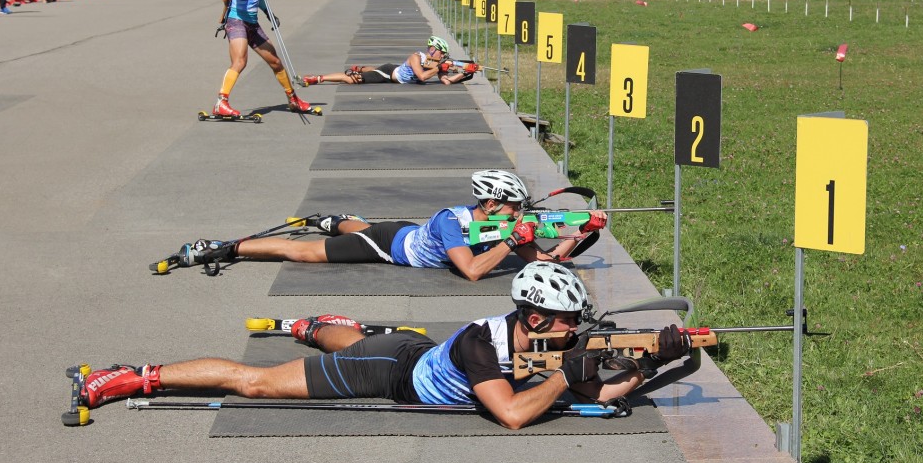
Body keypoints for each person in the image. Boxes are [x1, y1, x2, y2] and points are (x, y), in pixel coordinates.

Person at [72, 262, 689, 429]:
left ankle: (311, 325)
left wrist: (650, 360)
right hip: (388, 372)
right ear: (532, 317)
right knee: (255, 382)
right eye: (565, 323)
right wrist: (565, 376)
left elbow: (601, 390)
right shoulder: (483, 345)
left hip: (414, 347)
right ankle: (131, 374)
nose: (573, 333)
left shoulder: (544, 341)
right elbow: (512, 415)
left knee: (386, 336)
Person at [174, 169, 606, 282]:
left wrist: (580, 234)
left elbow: (547, 262)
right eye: (513, 208)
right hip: (389, 246)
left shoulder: (502, 224)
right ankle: (224, 246)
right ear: (491, 204)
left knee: (356, 225)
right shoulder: (453, 224)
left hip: (406, 228)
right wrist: (513, 239)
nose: (519, 214)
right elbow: (471, 272)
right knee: (301, 251)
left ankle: (335, 220)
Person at [213, 0, 314, 118]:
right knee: (240, 61)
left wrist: (269, 13)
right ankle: (221, 103)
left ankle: (293, 100)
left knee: (275, 61)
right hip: (236, 20)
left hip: (252, 22)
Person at [302, 36, 474, 86]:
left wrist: (465, 73)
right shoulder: (416, 57)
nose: (443, 57)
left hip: (394, 69)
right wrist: (438, 69)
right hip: (389, 74)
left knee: (371, 70)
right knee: (353, 79)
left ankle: (361, 67)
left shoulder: (435, 64)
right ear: (433, 50)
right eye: (441, 53)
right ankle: (318, 78)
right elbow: (422, 77)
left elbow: (446, 82)